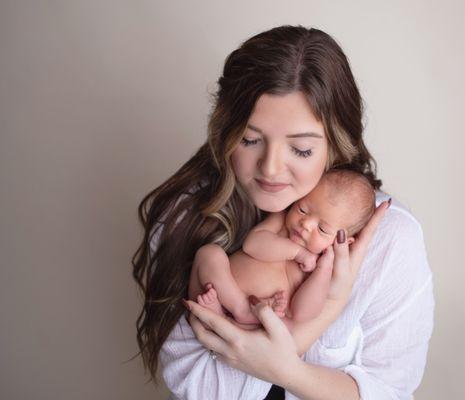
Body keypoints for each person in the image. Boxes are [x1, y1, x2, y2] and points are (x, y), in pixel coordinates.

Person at [132, 25, 434, 400]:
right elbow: (198, 386)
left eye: (302, 150)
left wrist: (289, 372)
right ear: (225, 133)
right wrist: (326, 313)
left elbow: (389, 391)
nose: (270, 168)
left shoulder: (391, 239)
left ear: (335, 145)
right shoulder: (186, 216)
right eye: (250, 140)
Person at [189, 169, 376, 329]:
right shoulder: (282, 221)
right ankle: (236, 310)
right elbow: (252, 245)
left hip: (257, 321)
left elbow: (301, 314)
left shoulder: (320, 266)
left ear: (343, 241)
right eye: (302, 209)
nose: (306, 224)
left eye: (322, 229)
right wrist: (297, 252)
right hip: (217, 292)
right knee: (209, 253)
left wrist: (323, 271)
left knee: (282, 325)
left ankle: (230, 318)